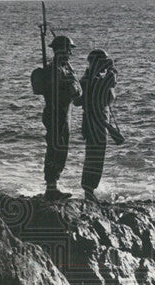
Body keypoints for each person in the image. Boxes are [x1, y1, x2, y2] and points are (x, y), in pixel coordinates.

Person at [31, 34, 82, 201]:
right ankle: (51, 187)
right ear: (62, 50)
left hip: (63, 113)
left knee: (61, 149)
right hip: (55, 113)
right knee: (55, 148)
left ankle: (53, 186)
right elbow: (54, 92)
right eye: (68, 50)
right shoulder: (55, 70)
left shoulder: (65, 67)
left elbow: (76, 89)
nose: (70, 53)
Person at [78, 49, 119, 201]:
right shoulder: (97, 80)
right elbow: (113, 79)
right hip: (98, 122)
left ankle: (88, 189)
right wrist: (111, 66)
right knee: (96, 156)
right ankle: (89, 190)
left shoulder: (86, 80)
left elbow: (78, 101)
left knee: (92, 154)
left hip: (90, 121)